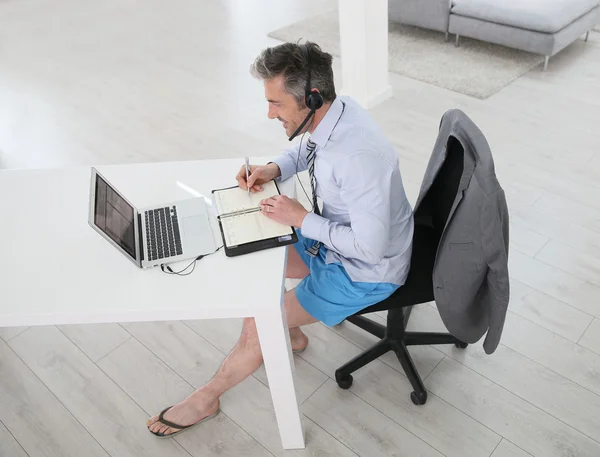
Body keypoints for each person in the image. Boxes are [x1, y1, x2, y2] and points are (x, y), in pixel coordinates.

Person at [147, 41, 414, 438]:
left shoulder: (358, 159)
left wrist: (302, 219)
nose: (270, 113)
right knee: (254, 254)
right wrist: (273, 168)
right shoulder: (336, 114)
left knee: (259, 316)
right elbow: (305, 149)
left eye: (277, 104)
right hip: (334, 240)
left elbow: (370, 248)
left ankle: (208, 397)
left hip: (365, 270)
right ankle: (292, 332)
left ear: (312, 97)